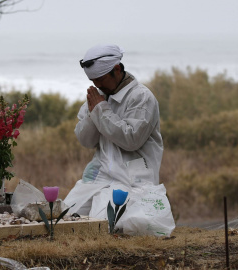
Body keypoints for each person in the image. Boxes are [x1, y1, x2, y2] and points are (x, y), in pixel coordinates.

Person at [64, 44, 164, 220]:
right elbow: (86, 141)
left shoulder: (141, 97)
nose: (97, 85)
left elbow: (131, 140)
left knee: (103, 223)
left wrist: (101, 110)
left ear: (116, 69)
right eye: (93, 81)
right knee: (64, 215)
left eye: (101, 79)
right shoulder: (100, 96)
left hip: (132, 179)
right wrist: (93, 112)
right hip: (99, 174)